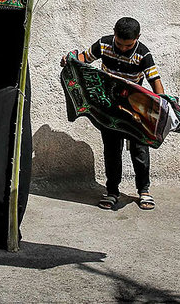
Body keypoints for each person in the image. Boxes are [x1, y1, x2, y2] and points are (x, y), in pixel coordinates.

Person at [63, 16, 164, 211]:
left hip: (136, 110)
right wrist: (70, 59)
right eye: (119, 43)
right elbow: (83, 58)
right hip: (108, 108)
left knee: (140, 150)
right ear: (114, 34)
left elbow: (155, 80)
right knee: (111, 150)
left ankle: (144, 191)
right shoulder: (103, 44)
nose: (123, 48)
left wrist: (163, 105)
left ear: (138, 38)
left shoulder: (143, 54)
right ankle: (112, 192)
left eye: (128, 45)